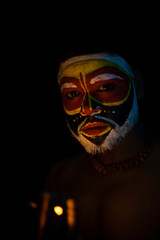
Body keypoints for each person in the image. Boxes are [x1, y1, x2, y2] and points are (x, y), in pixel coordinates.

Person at [38, 45, 160, 240]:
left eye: (105, 87)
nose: (87, 109)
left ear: (138, 85)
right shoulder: (60, 177)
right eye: (72, 94)